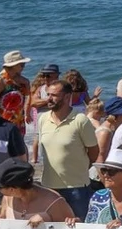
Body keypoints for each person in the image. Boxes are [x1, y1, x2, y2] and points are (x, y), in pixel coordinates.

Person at [32, 78, 99, 217]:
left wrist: (80, 168)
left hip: (77, 188)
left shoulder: (80, 120)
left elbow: (94, 152)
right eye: (48, 94)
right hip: (49, 187)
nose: (49, 99)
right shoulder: (43, 118)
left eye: (54, 95)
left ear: (67, 96)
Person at [0, 157, 76, 224]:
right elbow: (3, 219)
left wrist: (45, 225)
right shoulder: (7, 198)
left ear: (12, 189)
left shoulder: (54, 202)